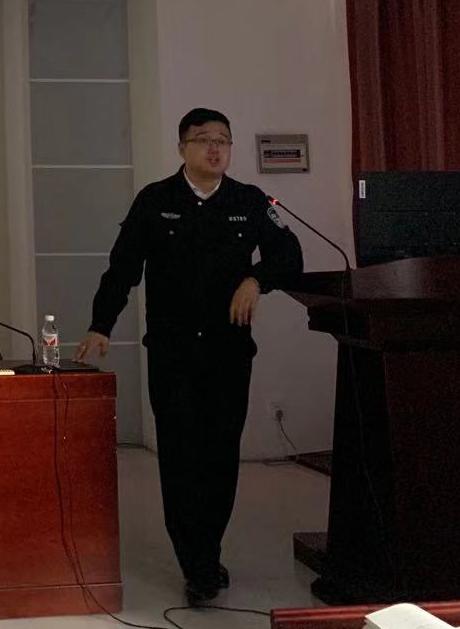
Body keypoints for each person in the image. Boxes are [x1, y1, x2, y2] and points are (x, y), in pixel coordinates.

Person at [76, 108, 302, 604]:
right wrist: (101, 324)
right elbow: (122, 268)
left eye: (223, 140)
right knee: (180, 457)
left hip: (228, 353)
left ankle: (207, 551)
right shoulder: (155, 201)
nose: (214, 148)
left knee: (220, 456)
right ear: (182, 148)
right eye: (203, 139)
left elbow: (290, 255)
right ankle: (196, 563)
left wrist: (256, 279)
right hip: (173, 353)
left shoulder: (249, 201)